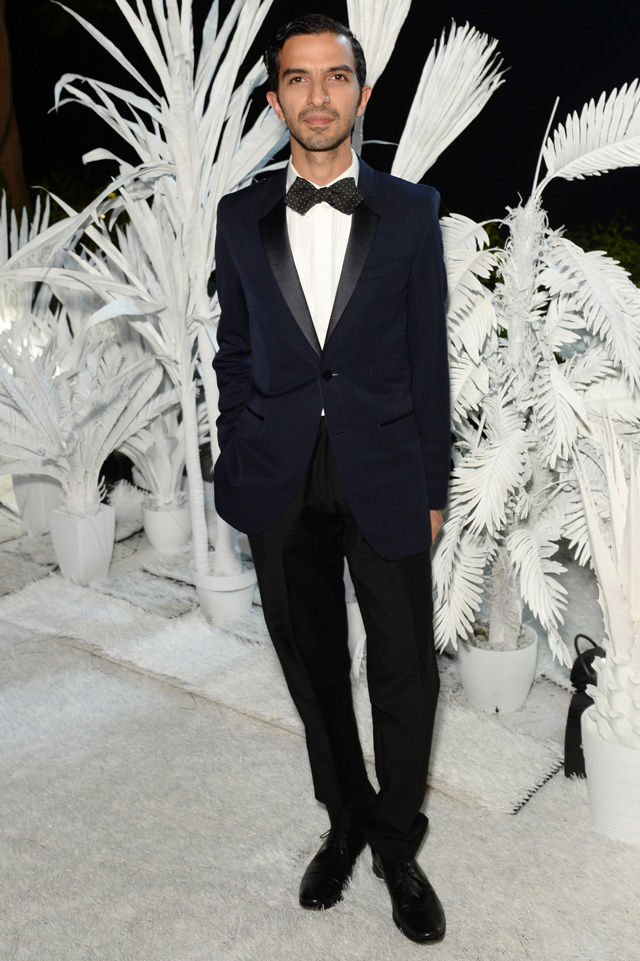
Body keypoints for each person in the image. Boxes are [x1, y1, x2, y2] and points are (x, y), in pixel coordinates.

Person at [212, 13, 450, 945]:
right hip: (276, 474)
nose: (317, 96)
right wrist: (237, 449)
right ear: (276, 100)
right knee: (312, 667)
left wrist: (433, 485)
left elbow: (427, 360)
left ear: (361, 91)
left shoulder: (413, 212)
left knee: (406, 671)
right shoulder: (239, 217)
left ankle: (396, 842)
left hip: (385, 469)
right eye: (297, 79)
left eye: (336, 76)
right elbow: (235, 349)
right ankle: (345, 819)